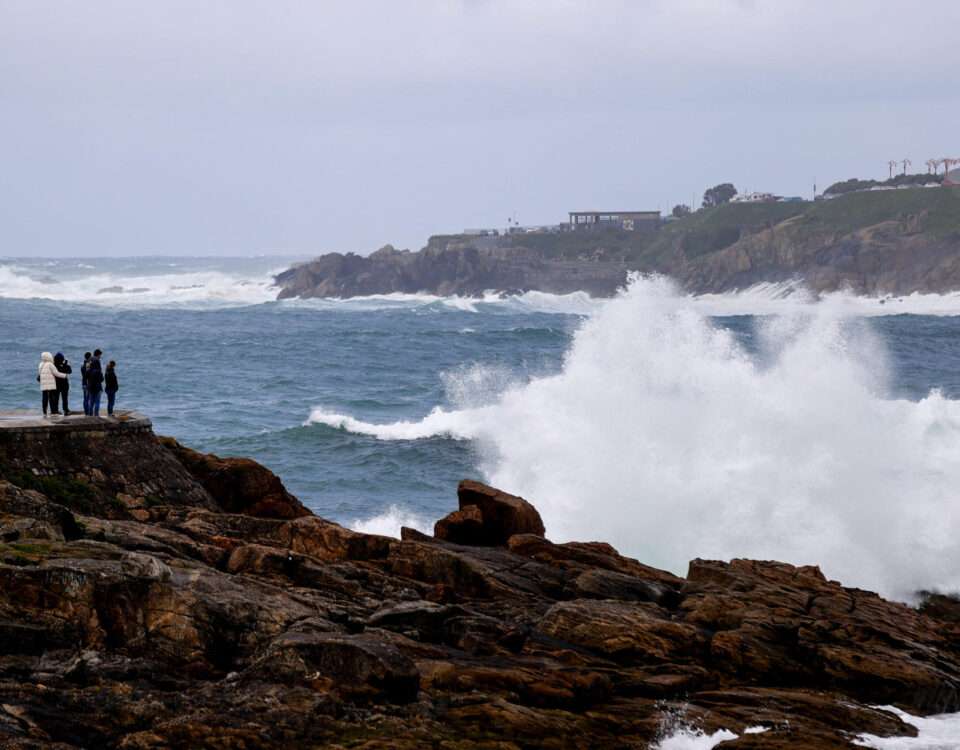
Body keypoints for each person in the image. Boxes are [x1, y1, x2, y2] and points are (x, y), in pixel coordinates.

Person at [37, 352, 67, 416]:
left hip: (44, 384)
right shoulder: (50, 364)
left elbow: (39, 374)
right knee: (52, 398)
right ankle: (53, 412)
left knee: (44, 398)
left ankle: (44, 412)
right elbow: (56, 373)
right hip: (50, 384)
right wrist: (64, 375)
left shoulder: (40, 364)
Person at [87, 349, 104, 417]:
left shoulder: (89, 360)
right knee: (97, 401)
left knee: (91, 401)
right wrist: (101, 379)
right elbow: (101, 376)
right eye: (100, 355)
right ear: (98, 354)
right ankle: (96, 415)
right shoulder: (97, 361)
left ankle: (90, 414)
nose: (100, 357)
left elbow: (86, 373)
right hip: (97, 385)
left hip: (90, 385)